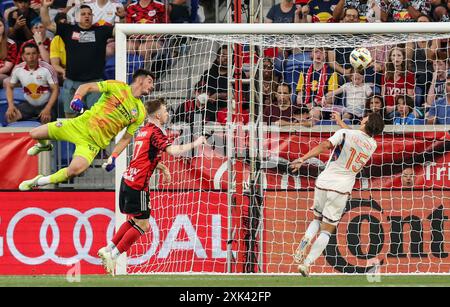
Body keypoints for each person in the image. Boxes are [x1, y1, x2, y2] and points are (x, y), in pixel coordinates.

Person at [97, 98, 208, 276]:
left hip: (128, 180)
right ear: (157, 115)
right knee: (143, 224)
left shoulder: (143, 131)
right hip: (138, 184)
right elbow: (173, 151)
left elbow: (144, 158)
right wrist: (197, 142)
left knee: (133, 220)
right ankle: (114, 255)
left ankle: (108, 249)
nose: (167, 114)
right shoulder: (156, 132)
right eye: (165, 111)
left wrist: (162, 168)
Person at [18, 69, 154, 191]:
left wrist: (113, 156)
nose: (152, 86)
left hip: (92, 144)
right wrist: (77, 98)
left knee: (75, 170)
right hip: (78, 126)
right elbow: (86, 86)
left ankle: (38, 181)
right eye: (150, 81)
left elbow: (126, 138)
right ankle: (45, 146)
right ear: (140, 79)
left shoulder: (140, 112)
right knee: (34, 133)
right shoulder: (117, 86)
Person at [290, 111, 384, 277]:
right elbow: (356, 137)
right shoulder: (372, 145)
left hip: (324, 181)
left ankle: (305, 239)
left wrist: (302, 159)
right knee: (327, 230)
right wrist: (340, 122)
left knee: (316, 219)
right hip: (341, 188)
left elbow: (325, 145)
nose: (363, 117)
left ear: (365, 122)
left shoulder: (345, 134)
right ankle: (306, 264)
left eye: (365, 117)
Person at [40, 0, 114, 118]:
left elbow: (120, 31)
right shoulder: (68, 30)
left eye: (89, 14)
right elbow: (47, 24)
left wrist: (123, 17)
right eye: (83, 14)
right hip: (72, 83)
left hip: (94, 83)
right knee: (70, 117)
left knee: (94, 117)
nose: (86, 16)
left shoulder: (102, 30)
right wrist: (44, 7)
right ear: (77, 16)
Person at [5, 42, 58, 124]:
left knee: (46, 122)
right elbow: (9, 86)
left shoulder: (47, 69)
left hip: (46, 104)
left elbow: (56, 90)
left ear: (38, 55)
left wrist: (48, 108)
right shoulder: (18, 69)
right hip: (29, 105)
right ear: (23, 57)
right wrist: (11, 106)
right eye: (28, 54)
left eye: (34, 53)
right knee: (10, 118)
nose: (31, 57)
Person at [0, 18, 17, 88]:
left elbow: (7, 67)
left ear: (4, 27)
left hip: (3, 74)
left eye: (0, 25)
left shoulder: (11, 44)